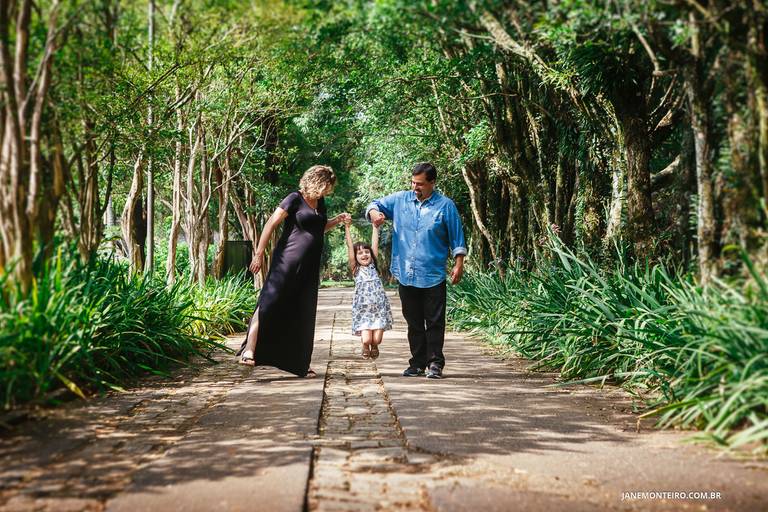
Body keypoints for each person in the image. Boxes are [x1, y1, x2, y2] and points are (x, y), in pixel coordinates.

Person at [236, 165, 349, 377]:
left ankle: (298, 362)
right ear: (318, 181)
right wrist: (259, 254)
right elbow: (271, 223)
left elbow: (318, 228)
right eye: (327, 186)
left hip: (309, 266)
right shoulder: (294, 199)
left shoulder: (320, 202)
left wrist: (336, 221)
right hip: (286, 261)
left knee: (302, 310)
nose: (328, 191)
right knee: (268, 301)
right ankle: (250, 348)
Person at [366, 162, 466, 379]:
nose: (415, 187)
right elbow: (373, 205)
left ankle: (435, 363)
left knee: (434, 321)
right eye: (413, 182)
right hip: (405, 273)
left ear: (432, 182)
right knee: (413, 321)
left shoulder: (445, 206)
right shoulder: (400, 200)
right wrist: (375, 214)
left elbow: (457, 238)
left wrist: (459, 264)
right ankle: (417, 363)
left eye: (420, 184)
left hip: (432, 274)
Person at [344, 218, 393, 360]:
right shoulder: (356, 269)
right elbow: (349, 246)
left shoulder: (373, 266)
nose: (364, 254)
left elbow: (374, 244)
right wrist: (347, 227)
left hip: (379, 308)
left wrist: (375, 227)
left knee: (376, 340)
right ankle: (365, 346)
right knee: (366, 339)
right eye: (360, 253)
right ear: (356, 257)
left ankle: (375, 346)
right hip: (363, 310)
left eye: (366, 252)